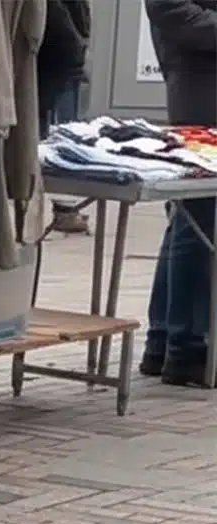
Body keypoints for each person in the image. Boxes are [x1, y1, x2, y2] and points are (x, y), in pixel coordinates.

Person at [141, 0, 216, 385]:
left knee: (189, 218)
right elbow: (170, 10)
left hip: (200, 85)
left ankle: (163, 340)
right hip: (201, 93)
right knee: (200, 217)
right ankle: (187, 346)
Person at [39, 0, 92, 234]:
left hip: (63, 59)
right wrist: (75, 49)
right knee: (62, 135)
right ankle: (65, 209)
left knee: (63, 132)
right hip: (58, 61)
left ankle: (66, 208)